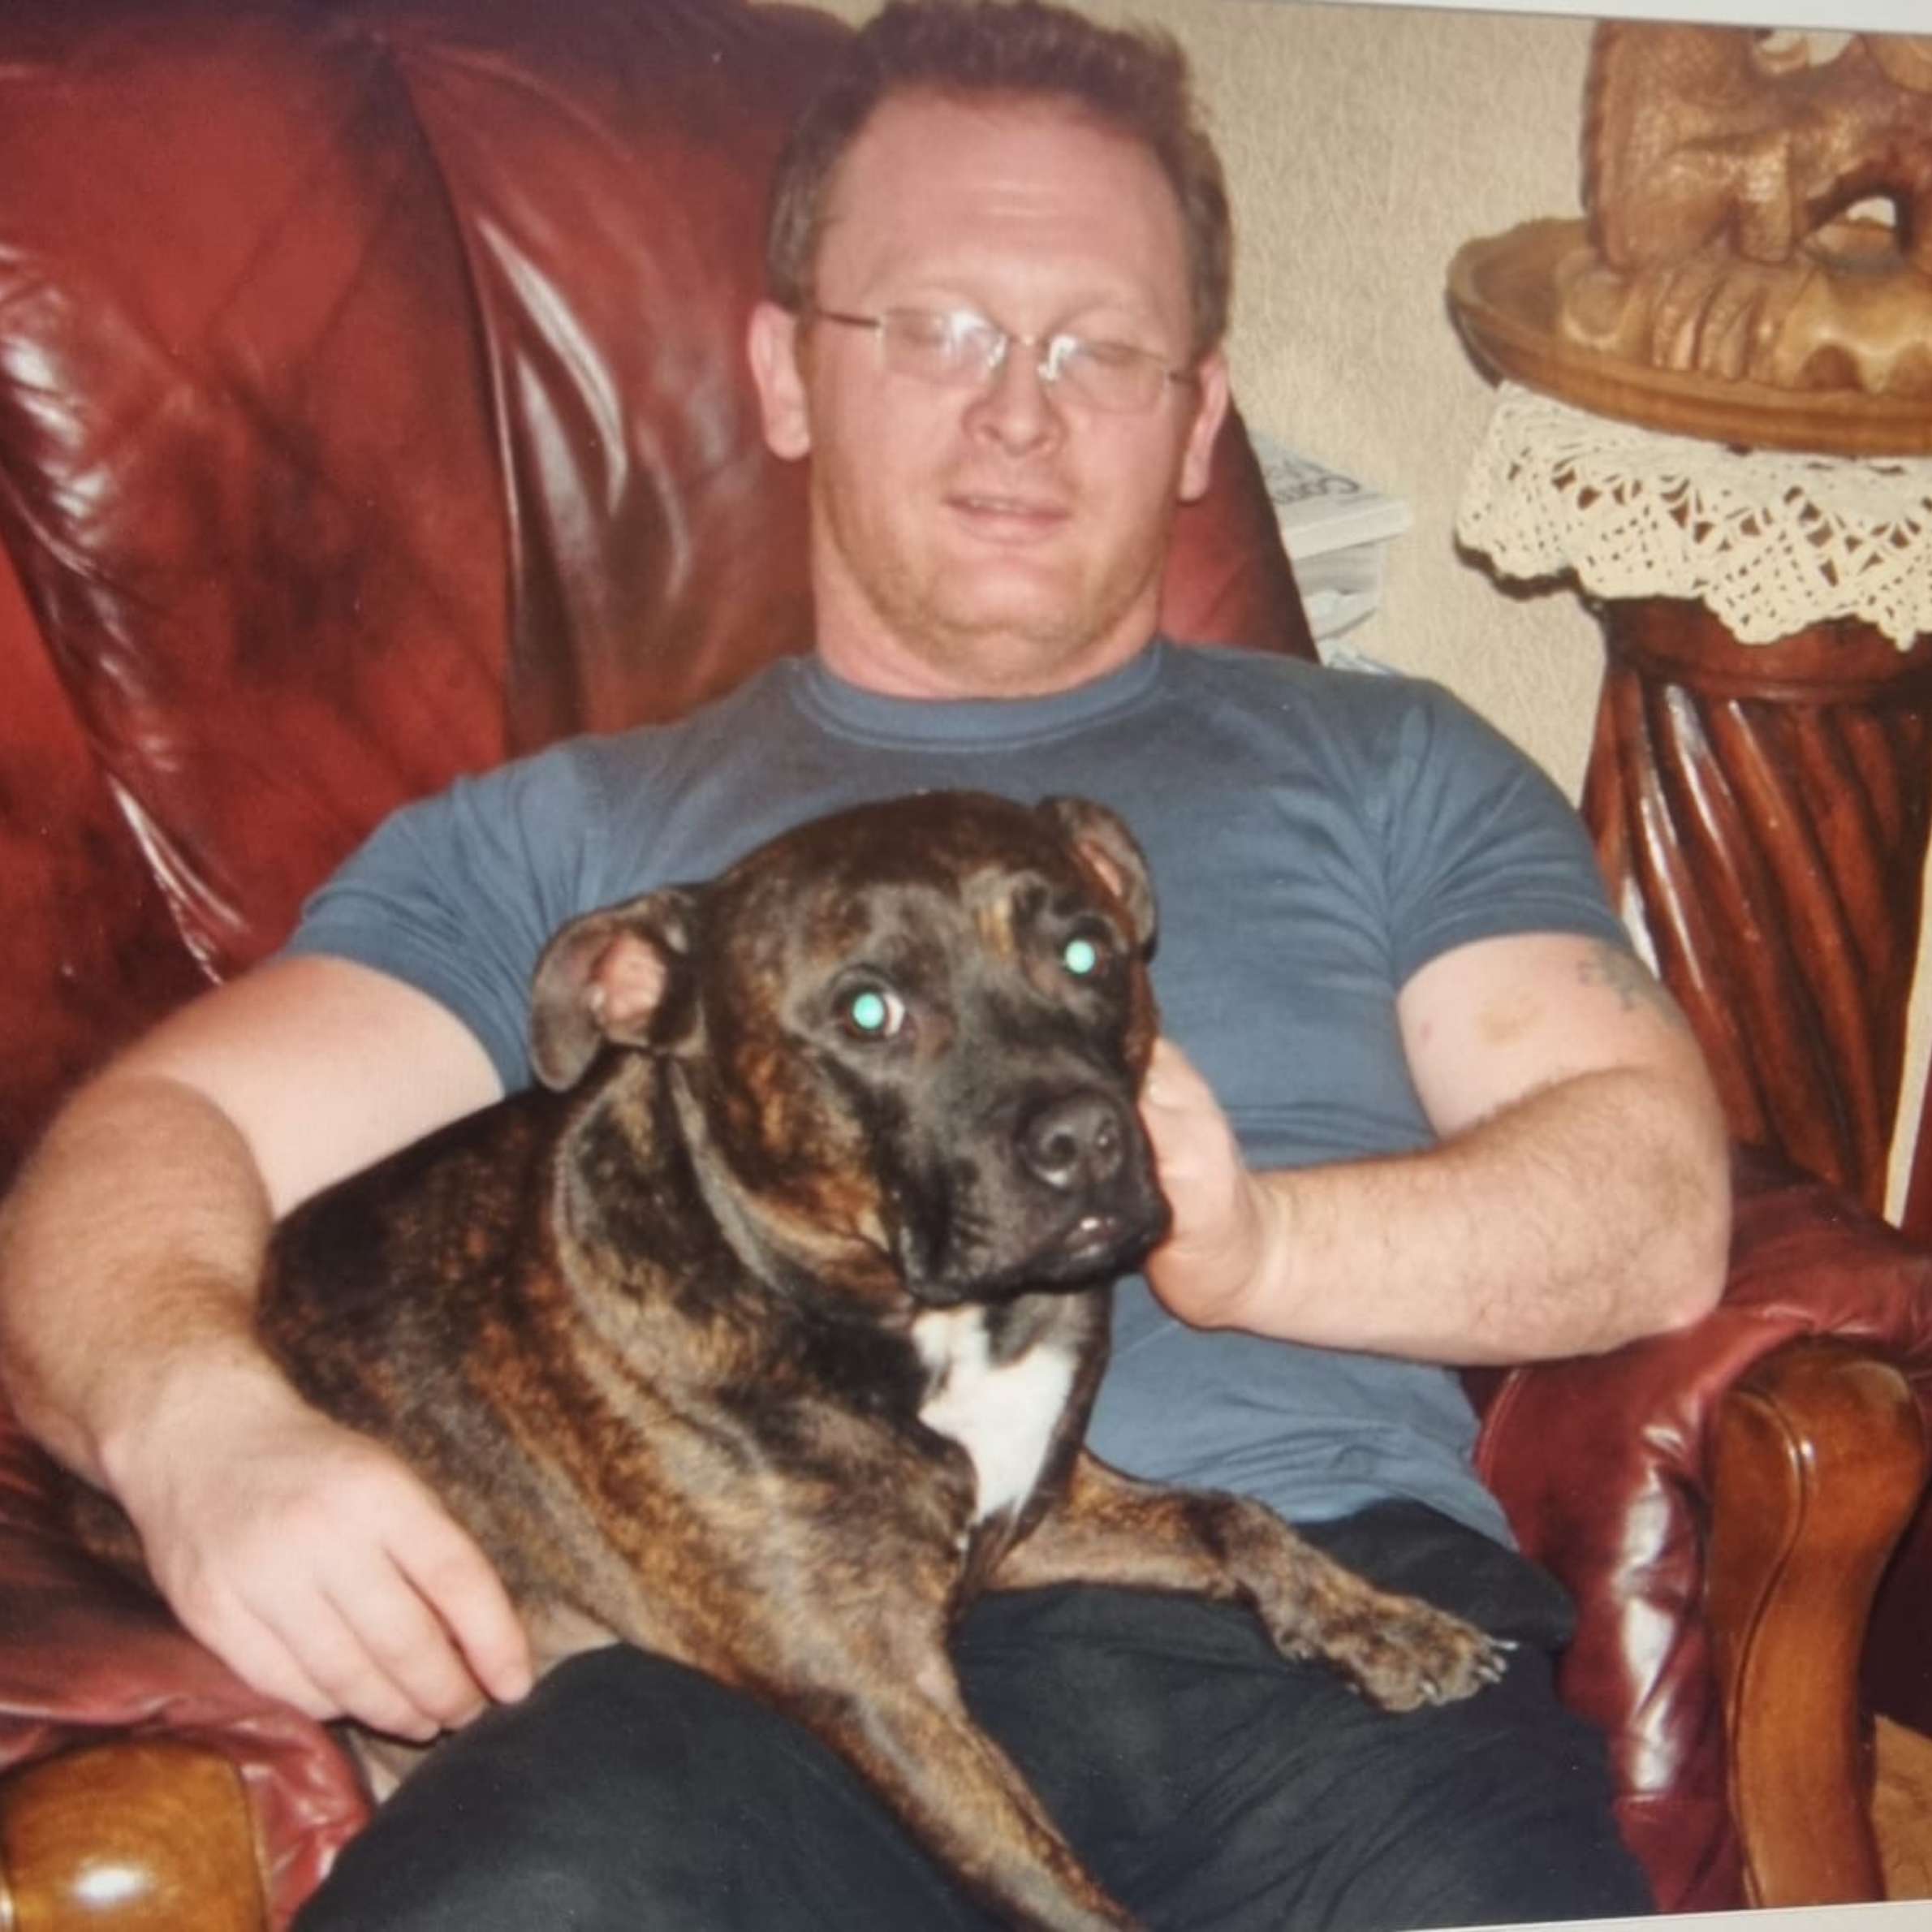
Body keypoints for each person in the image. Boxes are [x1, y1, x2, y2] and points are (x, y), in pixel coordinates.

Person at [0, 2, 1730, 1926]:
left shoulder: (1383, 756)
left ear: (1199, 412)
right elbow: (153, 1135)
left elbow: (1650, 1207)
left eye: (1098, 345)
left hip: (1298, 1655)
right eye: (936, 329)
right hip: (699, 1694)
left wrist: (1255, 1250)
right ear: (785, 372)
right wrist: (204, 1432)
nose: (1020, 410)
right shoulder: (565, 837)